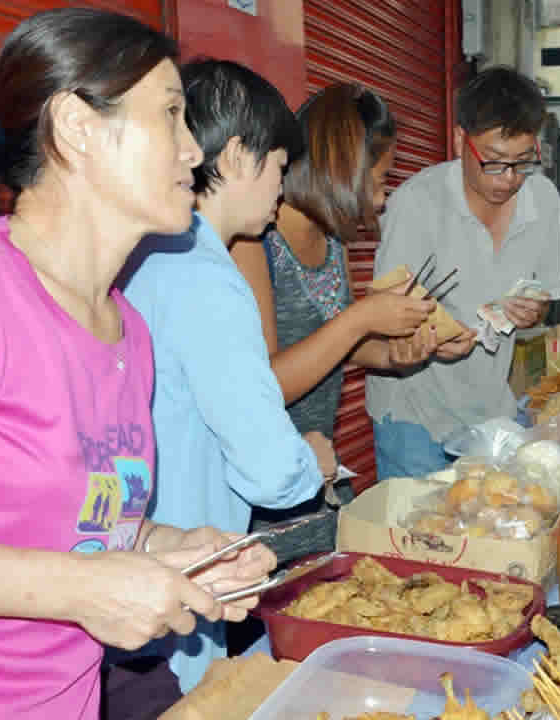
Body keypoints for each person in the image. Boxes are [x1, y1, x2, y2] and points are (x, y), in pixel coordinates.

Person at [0, 9, 276, 718]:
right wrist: (82, 591)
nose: (193, 152)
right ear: (78, 128)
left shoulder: (130, 332)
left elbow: (76, 526)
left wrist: (173, 550)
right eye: (172, 116)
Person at [120, 59, 337, 693]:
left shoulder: (148, 255)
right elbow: (270, 472)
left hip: (140, 548)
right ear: (239, 156)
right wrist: (312, 461)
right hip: (187, 567)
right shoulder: (208, 277)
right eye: (278, 165)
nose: (282, 187)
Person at [231, 84, 437, 554]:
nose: (381, 200)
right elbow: (268, 383)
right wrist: (363, 317)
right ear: (341, 171)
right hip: (265, 495)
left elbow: (335, 339)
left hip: (319, 480)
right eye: (379, 180)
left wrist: (392, 354)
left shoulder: (331, 240)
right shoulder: (252, 242)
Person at [367, 67, 560, 481]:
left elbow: (543, 297)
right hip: (414, 416)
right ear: (460, 141)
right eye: (493, 163)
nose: (509, 180)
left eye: (522, 162)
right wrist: (432, 337)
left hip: (492, 410)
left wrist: (533, 310)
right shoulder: (416, 203)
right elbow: (381, 313)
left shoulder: (544, 201)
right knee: (419, 539)